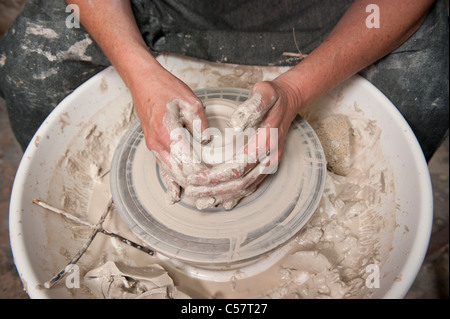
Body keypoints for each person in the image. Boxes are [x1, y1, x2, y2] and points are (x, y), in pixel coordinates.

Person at [0, 0, 448, 208]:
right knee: (31, 67)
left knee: (427, 84)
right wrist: (140, 74)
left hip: (329, 20)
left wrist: (296, 91)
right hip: (164, 11)